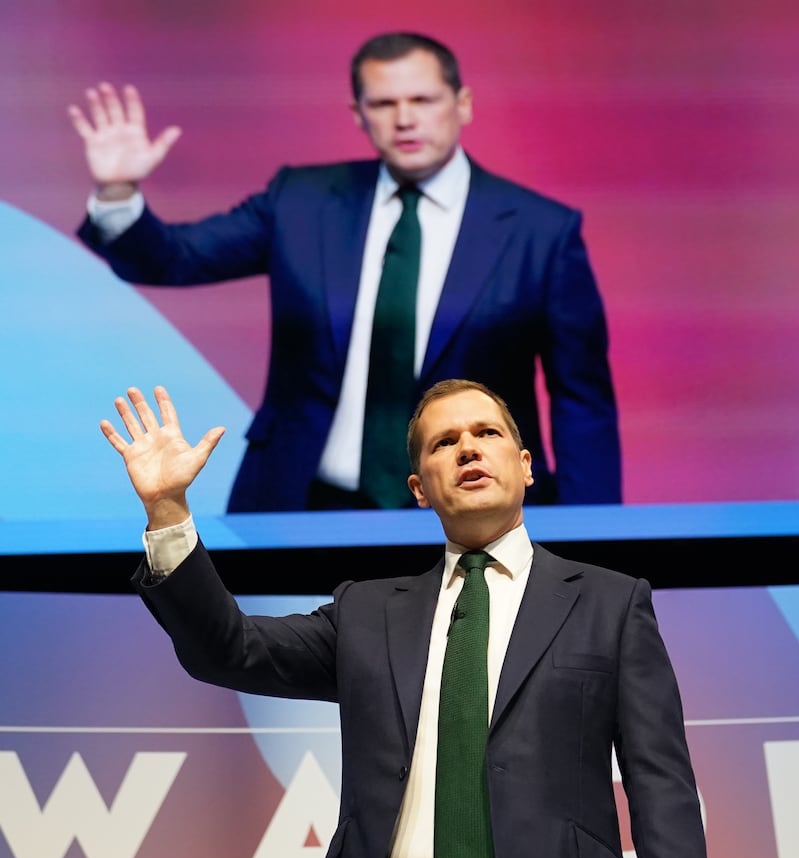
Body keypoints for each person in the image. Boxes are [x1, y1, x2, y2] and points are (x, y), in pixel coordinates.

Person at [100, 379, 715, 858]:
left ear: (527, 462)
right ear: (420, 487)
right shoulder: (368, 613)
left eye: (486, 433)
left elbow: (662, 784)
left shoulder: (610, 603)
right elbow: (231, 648)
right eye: (444, 443)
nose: (468, 450)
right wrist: (168, 511)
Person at [74, 31, 621, 513]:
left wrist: (594, 538)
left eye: (423, 99)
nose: (405, 118)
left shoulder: (541, 230)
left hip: (471, 510)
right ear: (358, 114)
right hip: (300, 506)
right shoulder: (301, 201)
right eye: (383, 103)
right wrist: (119, 193)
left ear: (463, 103)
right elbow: (173, 257)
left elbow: (581, 400)